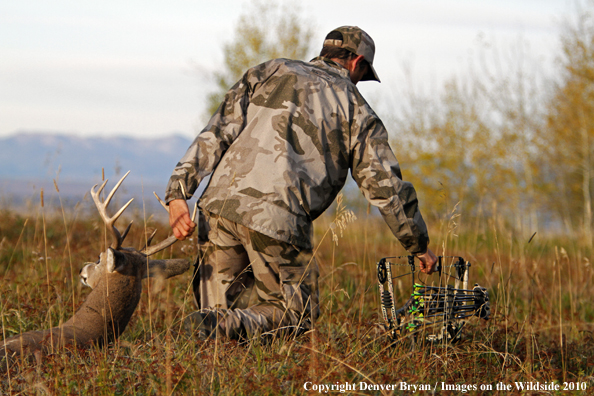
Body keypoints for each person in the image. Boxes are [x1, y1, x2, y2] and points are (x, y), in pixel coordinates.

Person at [165, 26, 438, 340]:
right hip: (278, 218)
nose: (359, 82)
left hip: (218, 207)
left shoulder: (269, 70)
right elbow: (385, 187)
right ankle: (216, 328)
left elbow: (216, 132)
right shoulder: (357, 110)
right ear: (357, 62)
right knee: (296, 312)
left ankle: (207, 344)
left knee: (219, 331)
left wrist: (178, 191)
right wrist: (418, 245)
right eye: (362, 75)